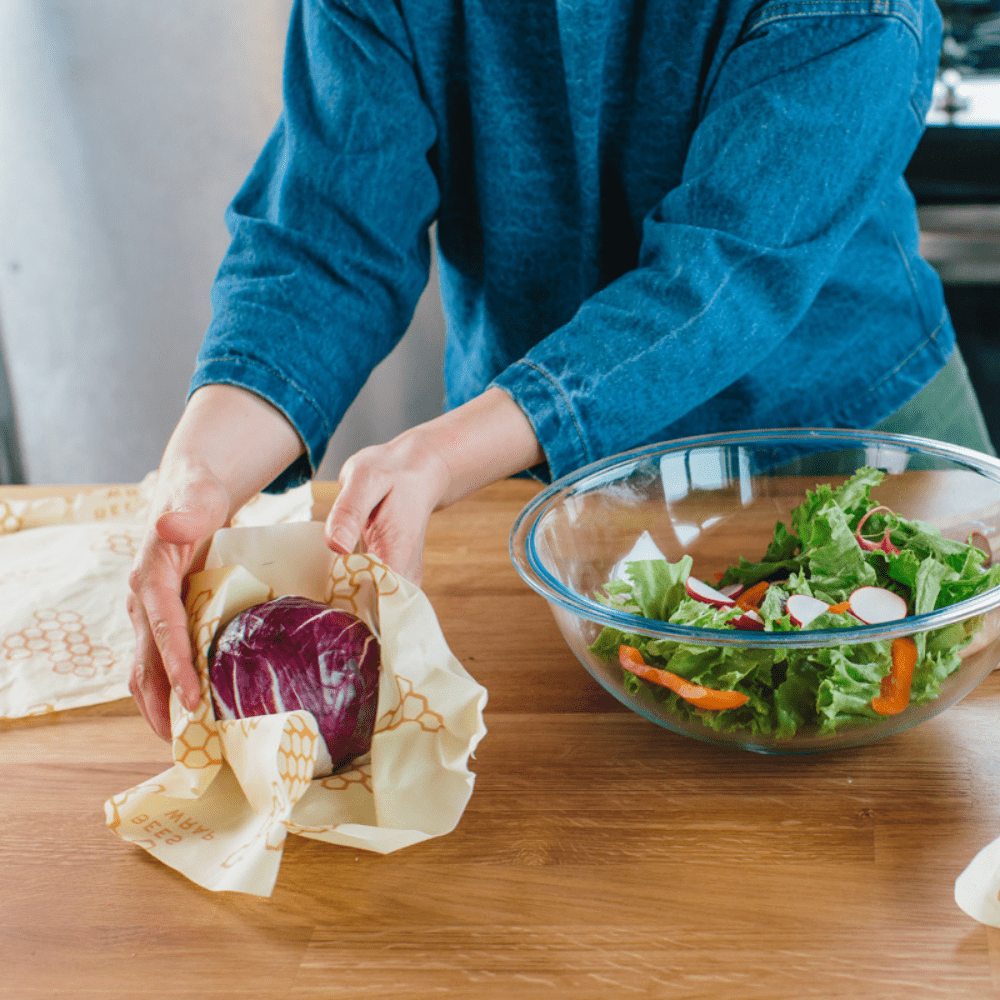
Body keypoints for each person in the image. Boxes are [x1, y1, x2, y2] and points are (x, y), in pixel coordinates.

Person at [127, 0, 993, 740]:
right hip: (544, 493)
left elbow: (720, 279)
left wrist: (442, 454)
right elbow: (325, 239)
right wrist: (198, 477)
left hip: (857, 457)